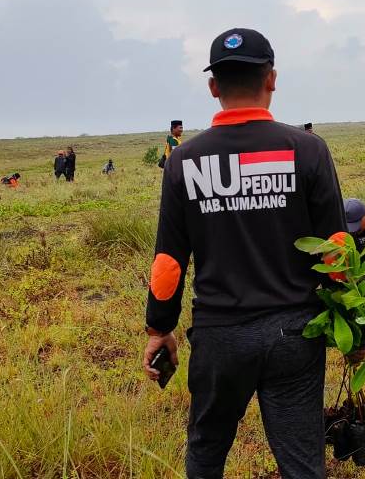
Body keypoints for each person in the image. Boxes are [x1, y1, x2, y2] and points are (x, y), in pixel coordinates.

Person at [142, 27, 345, 479]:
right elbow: (336, 251)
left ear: (213, 86)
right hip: (295, 333)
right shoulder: (308, 149)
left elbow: (168, 263)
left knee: (207, 452)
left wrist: (160, 327)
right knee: (302, 464)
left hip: (220, 338)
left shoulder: (183, 161)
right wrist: (351, 326)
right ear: (271, 78)